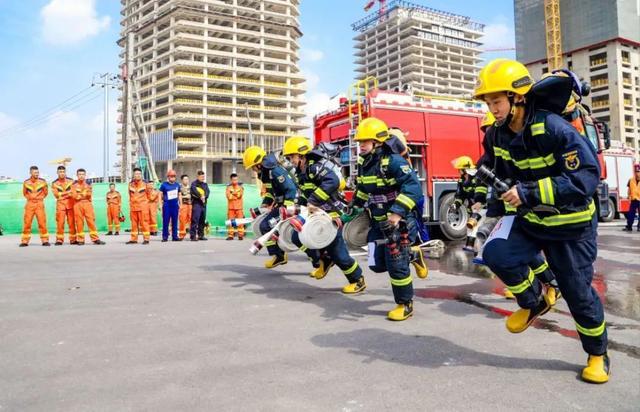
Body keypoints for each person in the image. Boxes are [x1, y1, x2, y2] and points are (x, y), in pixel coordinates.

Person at [475, 58, 608, 383]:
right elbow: (499, 174)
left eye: (497, 100)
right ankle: (533, 301)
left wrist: (530, 193)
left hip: (571, 227)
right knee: (495, 254)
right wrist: (490, 208)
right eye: (488, 102)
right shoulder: (496, 136)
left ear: (517, 97)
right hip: (532, 221)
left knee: (578, 293)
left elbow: (588, 176)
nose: (492, 108)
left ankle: (597, 354)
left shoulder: (553, 127)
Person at [473, 112, 560, 303]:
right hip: (503, 210)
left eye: (492, 128)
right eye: (487, 130)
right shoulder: (487, 159)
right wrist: (479, 198)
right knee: (508, 253)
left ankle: (550, 283)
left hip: (521, 209)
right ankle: (534, 287)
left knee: (529, 254)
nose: (490, 133)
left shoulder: (516, 150)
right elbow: (482, 182)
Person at [350, 117, 426, 321]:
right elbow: (363, 190)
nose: (361, 145)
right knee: (376, 264)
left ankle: (405, 303)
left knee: (396, 262)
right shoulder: (365, 164)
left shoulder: (394, 162)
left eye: (365, 141)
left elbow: (414, 189)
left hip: (398, 221)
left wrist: (396, 214)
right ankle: (413, 254)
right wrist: (354, 208)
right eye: (359, 142)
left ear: (378, 142)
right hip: (377, 222)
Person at [283, 135, 367, 293]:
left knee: (338, 252)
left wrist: (313, 201)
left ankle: (357, 279)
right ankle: (324, 259)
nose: (290, 160)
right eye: (288, 157)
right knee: (296, 236)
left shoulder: (315, 167)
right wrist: (298, 207)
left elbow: (332, 181)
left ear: (301, 155)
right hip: (316, 215)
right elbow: (305, 193)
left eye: (292, 157)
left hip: (332, 214)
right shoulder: (301, 171)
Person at [242, 146, 297, 268]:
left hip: (291, 203)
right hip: (281, 204)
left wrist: (287, 208)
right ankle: (279, 256)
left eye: (253, 167)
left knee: (296, 235)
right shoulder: (265, 173)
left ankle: (318, 259)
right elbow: (270, 192)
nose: (253, 170)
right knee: (265, 226)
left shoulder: (275, 170)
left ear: (259, 164)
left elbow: (291, 189)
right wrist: (265, 203)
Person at [71, 169, 105, 245]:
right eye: (79, 174)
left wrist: (79, 194)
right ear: (77, 175)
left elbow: (89, 194)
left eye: (83, 174)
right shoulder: (73, 185)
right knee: (79, 222)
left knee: (91, 221)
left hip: (87, 204)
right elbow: (74, 196)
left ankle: (95, 239)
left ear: (85, 175)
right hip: (77, 204)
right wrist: (83, 194)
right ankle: (80, 240)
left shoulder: (88, 184)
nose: (81, 176)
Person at [20, 166, 50, 247]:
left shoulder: (43, 182)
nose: (37, 174)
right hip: (29, 204)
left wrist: (40, 198)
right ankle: (25, 241)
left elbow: (45, 192)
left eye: (37, 172)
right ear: (30, 173)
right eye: (35, 172)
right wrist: (30, 198)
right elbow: (24, 193)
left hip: (39, 204)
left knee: (42, 222)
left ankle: (45, 240)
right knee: (27, 223)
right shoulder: (26, 182)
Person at [51, 165, 76, 245]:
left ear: (65, 172)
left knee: (71, 222)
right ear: (57, 173)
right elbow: (56, 195)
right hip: (60, 205)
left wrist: (62, 194)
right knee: (60, 223)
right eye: (60, 172)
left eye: (63, 172)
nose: (62, 173)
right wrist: (67, 193)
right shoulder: (54, 183)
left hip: (70, 204)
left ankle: (73, 239)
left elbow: (73, 192)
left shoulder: (71, 181)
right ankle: (59, 240)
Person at [127, 167, 151, 245]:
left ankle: (146, 239)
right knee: (133, 224)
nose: (137, 175)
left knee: (144, 223)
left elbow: (149, 195)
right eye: (136, 174)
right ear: (133, 175)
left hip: (143, 208)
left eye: (139, 174)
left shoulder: (145, 184)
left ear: (141, 175)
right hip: (133, 208)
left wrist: (145, 205)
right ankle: (133, 239)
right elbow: (130, 195)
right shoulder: (130, 185)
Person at [159, 169, 181, 242]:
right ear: (168, 177)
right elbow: (160, 194)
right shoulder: (164, 185)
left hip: (175, 205)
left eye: (174, 176)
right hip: (167, 205)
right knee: (166, 221)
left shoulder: (177, 185)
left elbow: (179, 194)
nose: (173, 178)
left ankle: (175, 236)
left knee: (175, 221)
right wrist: (160, 204)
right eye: (171, 176)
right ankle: (165, 237)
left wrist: (181, 204)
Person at [190, 170, 210, 241]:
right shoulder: (194, 184)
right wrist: (200, 196)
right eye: (201, 177)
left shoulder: (205, 184)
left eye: (203, 176)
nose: (203, 178)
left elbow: (208, 192)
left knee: (202, 220)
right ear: (198, 176)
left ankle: (201, 235)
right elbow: (194, 191)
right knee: (195, 220)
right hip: (196, 204)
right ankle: (193, 236)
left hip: (203, 204)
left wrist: (205, 196)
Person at [225, 173, 245, 240]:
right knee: (231, 222)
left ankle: (240, 235)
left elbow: (240, 195)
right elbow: (229, 197)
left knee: (240, 222)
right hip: (231, 208)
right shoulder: (228, 188)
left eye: (236, 180)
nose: (235, 181)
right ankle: (231, 235)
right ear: (231, 180)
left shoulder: (240, 188)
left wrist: (233, 193)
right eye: (233, 180)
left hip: (239, 208)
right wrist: (235, 195)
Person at [623, 164, 640, 232]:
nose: (637, 173)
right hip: (633, 199)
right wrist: (629, 196)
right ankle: (629, 226)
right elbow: (629, 189)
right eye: (636, 172)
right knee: (631, 214)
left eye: (638, 171)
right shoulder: (631, 180)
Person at [178, 174, 192, 240]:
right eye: (185, 179)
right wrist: (185, 197)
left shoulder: (191, 187)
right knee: (182, 219)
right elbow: (178, 196)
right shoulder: (179, 187)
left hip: (190, 205)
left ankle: (192, 234)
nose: (186, 180)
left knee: (191, 219)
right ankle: (181, 235)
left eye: (187, 179)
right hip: (183, 205)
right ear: (182, 180)